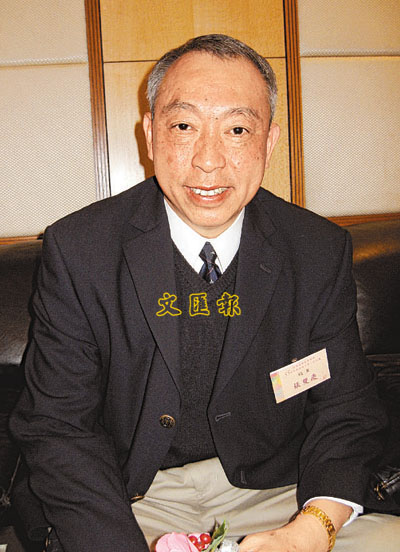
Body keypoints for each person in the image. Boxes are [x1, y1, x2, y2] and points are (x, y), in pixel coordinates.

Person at [10, 34, 400, 552]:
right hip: (129, 494)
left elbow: (346, 412)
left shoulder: (316, 250)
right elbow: (59, 426)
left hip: (277, 491)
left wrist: (310, 531)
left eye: (237, 129)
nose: (208, 161)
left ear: (269, 141)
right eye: (184, 126)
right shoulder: (81, 249)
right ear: (151, 135)